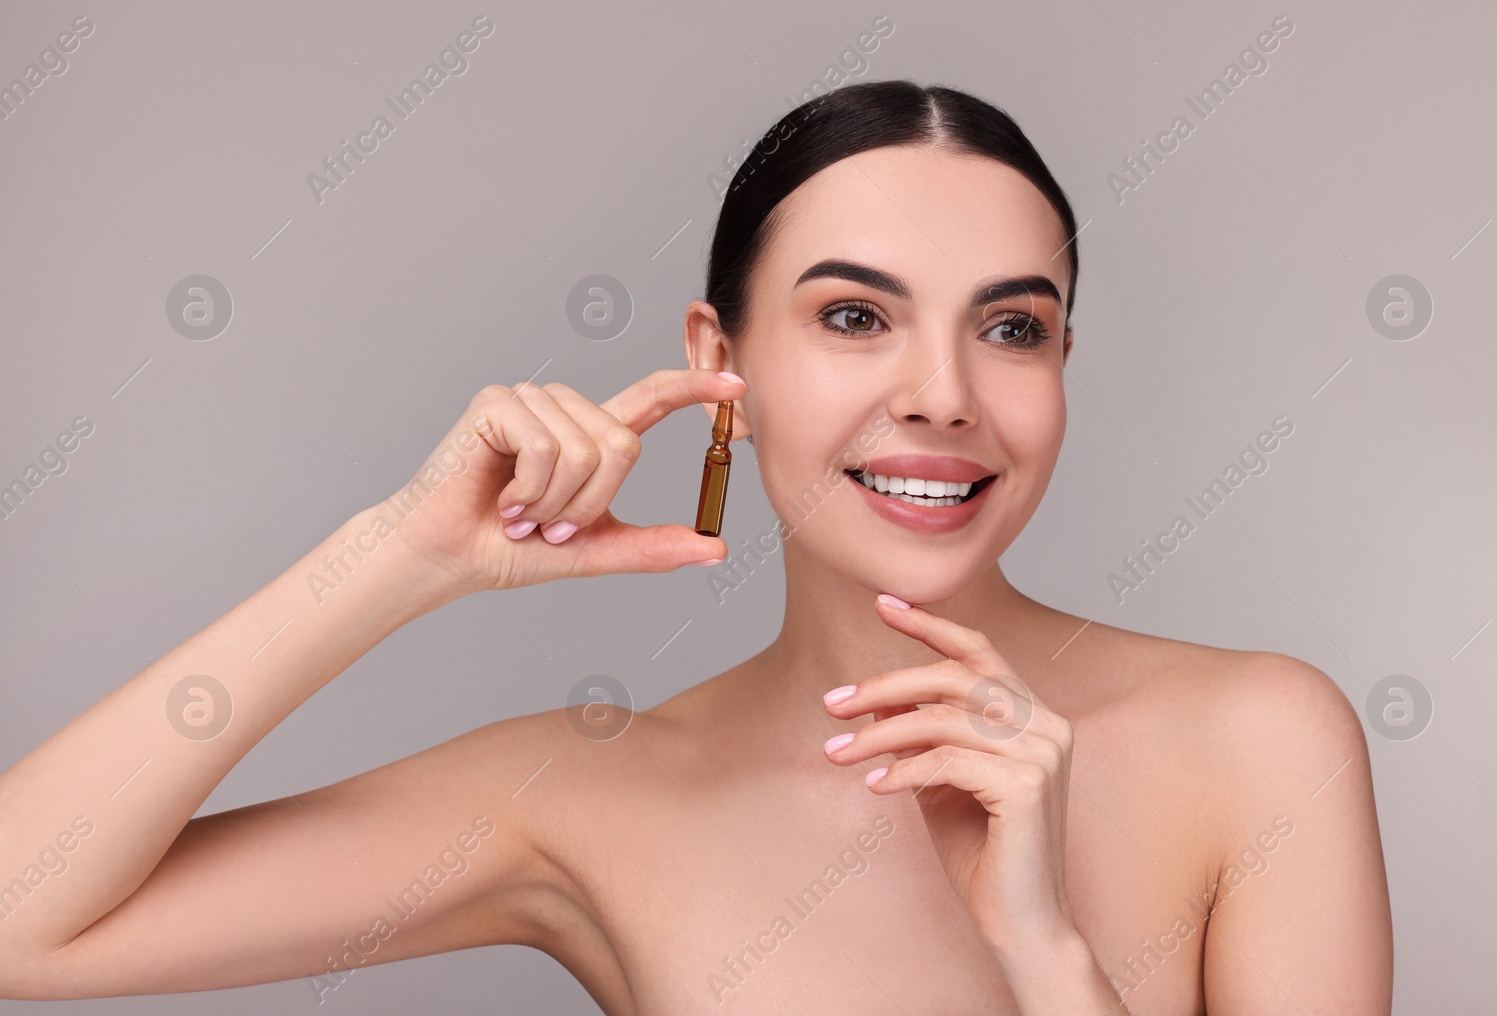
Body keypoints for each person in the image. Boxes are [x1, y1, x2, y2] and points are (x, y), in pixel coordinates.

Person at [0, 79, 1391, 1014]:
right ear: (720, 362)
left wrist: (1045, 954)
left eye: (1012, 327)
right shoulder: (585, 794)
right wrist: (396, 557)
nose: (946, 393)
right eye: (856, 316)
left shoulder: (1257, 742)